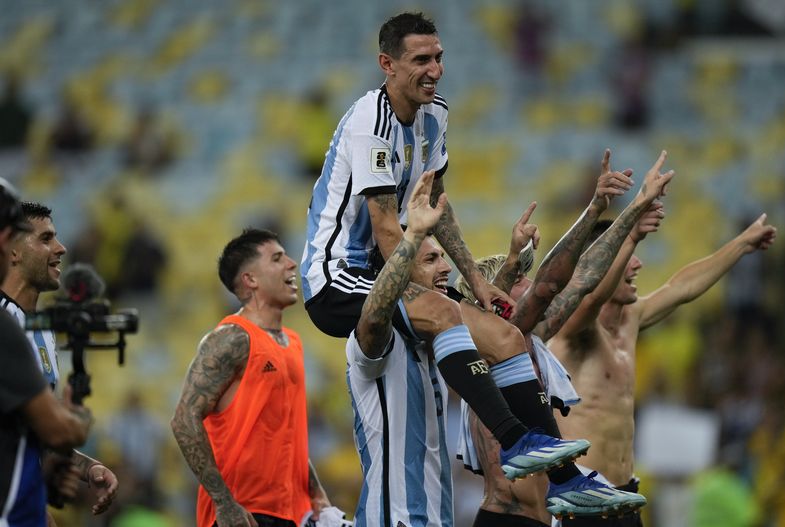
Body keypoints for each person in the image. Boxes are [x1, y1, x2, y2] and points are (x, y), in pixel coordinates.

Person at [302, 10, 593, 480]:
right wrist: (439, 291)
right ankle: (515, 441)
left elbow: (436, 201)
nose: (435, 70)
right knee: (442, 312)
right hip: (338, 275)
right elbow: (385, 227)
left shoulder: (435, 115)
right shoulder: (369, 123)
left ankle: (566, 481)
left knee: (506, 337)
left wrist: (476, 280)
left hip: (389, 267)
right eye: (421, 59)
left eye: (438, 57)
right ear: (387, 64)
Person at [454, 151, 671, 523]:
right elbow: (551, 286)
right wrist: (604, 211)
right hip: (508, 518)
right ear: (492, 297)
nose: (530, 281)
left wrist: (619, 211)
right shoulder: (487, 345)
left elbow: (583, 278)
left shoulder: (529, 340)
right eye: (518, 278)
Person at [549, 208, 777, 526]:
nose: (638, 263)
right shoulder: (571, 330)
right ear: (597, 266)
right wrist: (630, 235)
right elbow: (588, 301)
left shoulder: (631, 320)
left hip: (625, 496)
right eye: (627, 255)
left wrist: (741, 244)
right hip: (583, 500)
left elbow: (681, 288)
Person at [171, 228, 334, 527]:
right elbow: (183, 419)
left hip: (290, 513)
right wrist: (224, 502)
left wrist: (317, 493)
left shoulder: (293, 342)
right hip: (242, 514)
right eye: (277, 258)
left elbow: (287, 432)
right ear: (250, 280)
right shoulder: (232, 338)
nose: (291, 264)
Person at [346, 170, 453, 526]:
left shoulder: (433, 341)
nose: (446, 268)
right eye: (431, 260)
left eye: (442, 257)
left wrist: (513, 261)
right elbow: (375, 315)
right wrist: (415, 233)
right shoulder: (379, 341)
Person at [1, 201, 119, 518]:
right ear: (13, 250)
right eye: (45, 238)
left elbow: (34, 434)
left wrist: (87, 467)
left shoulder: (44, 332)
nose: (61, 248)